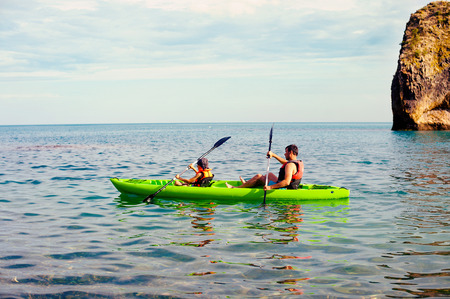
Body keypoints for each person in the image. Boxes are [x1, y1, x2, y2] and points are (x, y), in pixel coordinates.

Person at [226, 144, 303, 190]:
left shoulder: (290, 165)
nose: (284, 154)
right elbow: (284, 162)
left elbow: (286, 182)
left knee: (259, 177)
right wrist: (273, 155)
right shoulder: (294, 163)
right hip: (289, 186)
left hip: (284, 189)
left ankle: (236, 188)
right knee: (269, 175)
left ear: (291, 152)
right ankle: (248, 184)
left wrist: (270, 187)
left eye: (286, 152)